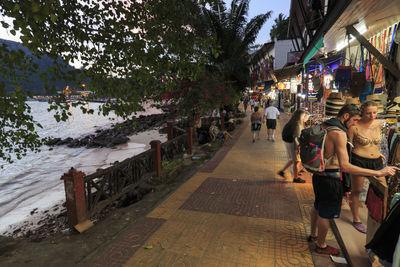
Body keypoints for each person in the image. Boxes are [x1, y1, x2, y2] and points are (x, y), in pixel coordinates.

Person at [308, 104, 398, 256]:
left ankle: (313, 235)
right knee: (326, 214)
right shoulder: (339, 133)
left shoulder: (326, 124)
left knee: (318, 206)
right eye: (354, 120)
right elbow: (345, 166)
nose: (356, 123)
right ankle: (321, 245)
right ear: (345, 117)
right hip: (331, 178)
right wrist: (377, 171)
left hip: (319, 176)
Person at [347, 101, 385, 234]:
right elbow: (348, 147)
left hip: (376, 161)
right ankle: (356, 219)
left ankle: (381, 218)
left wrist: (378, 152)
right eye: (369, 113)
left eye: (374, 112)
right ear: (362, 111)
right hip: (359, 160)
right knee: (356, 190)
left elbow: (374, 143)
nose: (372, 115)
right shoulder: (354, 126)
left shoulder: (379, 125)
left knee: (382, 191)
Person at [278, 109, 309, 183]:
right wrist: (299, 147)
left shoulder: (293, 122)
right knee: (297, 161)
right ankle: (296, 177)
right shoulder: (298, 124)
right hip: (294, 145)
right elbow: (297, 137)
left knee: (293, 160)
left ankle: (282, 171)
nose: (306, 117)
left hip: (289, 143)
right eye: (304, 116)